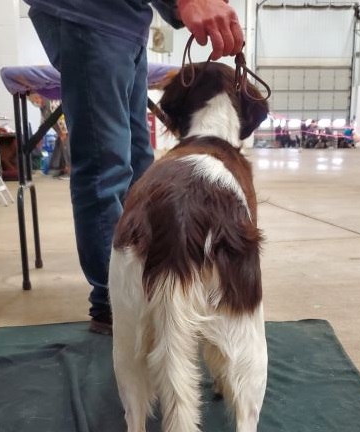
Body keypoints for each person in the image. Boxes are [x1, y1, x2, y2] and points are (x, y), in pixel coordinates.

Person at [24, 0, 244, 334]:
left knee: (140, 165)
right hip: (90, 13)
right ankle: (114, 303)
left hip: (127, 21)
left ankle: (142, 286)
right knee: (105, 168)